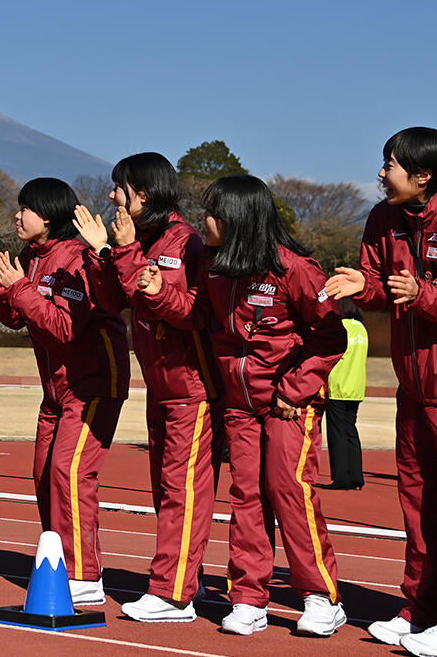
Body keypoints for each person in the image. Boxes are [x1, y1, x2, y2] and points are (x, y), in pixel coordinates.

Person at [326, 128, 437, 657]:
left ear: (423, 175)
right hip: (412, 385)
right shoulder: (383, 219)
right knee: (418, 503)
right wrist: (366, 287)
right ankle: (419, 608)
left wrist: (423, 295)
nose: (381, 172)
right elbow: (382, 287)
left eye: (391, 164)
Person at [148, 175, 346, 637]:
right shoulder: (215, 265)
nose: (204, 221)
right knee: (247, 498)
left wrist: (293, 390)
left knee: (290, 492)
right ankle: (249, 597)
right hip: (238, 406)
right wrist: (159, 292)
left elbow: (331, 337)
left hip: (287, 406)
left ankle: (321, 597)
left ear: (238, 219)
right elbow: (198, 316)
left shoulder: (294, 268)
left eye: (212, 213)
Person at [76, 152, 220, 622]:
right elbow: (116, 299)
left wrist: (128, 256)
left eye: (120, 188)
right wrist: (105, 252)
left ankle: (174, 594)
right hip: (159, 386)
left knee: (183, 491)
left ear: (146, 193)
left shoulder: (186, 242)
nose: (113, 196)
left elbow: (186, 311)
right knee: (165, 489)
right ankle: (178, 583)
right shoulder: (138, 239)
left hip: (191, 389)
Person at [0, 177, 130, 606]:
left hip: (94, 383)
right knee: (45, 475)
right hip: (56, 391)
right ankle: (57, 564)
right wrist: (0, 283)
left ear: (47, 215)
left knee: (70, 470)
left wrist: (20, 286)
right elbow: (14, 318)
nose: (16, 215)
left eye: (24, 208)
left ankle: (85, 574)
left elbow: (64, 326)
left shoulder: (77, 258)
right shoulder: (29, 256)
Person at [323, 298, 368, 490]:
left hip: (338, 385)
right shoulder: (361, 328)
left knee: (337, 433)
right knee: (351, 430)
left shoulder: (340, 327)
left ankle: (341, 476)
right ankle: (356, 475)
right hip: (356, 386)